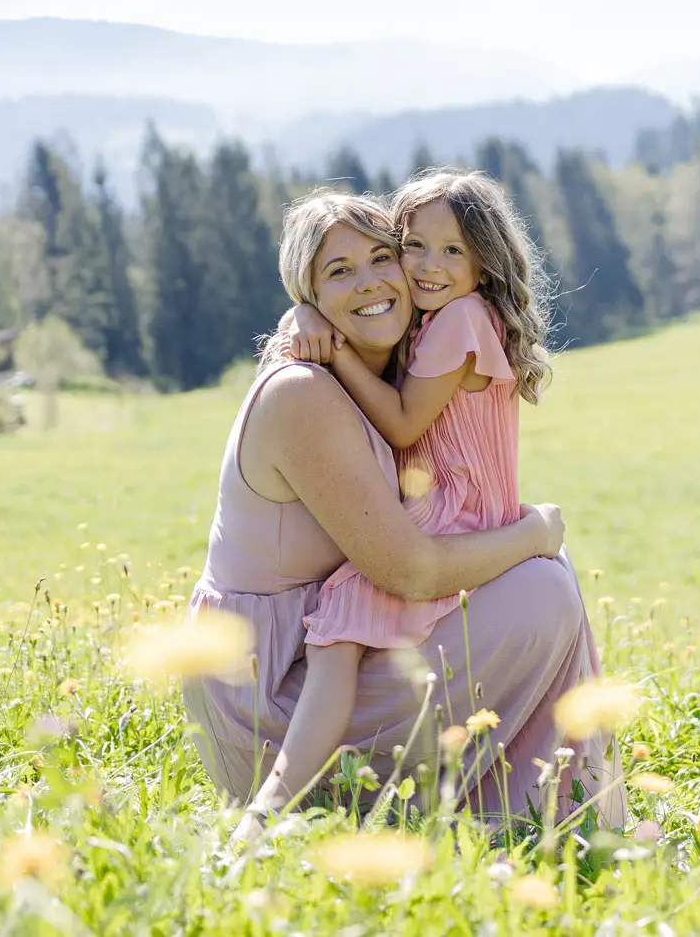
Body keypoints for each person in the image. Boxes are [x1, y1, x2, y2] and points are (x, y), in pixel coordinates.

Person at [183, 190, 623, 831]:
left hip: (323, 658)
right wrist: (531, 531)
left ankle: (512, 805)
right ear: (308, 295)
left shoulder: (394, 360)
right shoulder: (303, 390)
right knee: (539, 587)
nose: (371, 282)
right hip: (267, 694)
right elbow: (411, 571)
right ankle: (281, 816)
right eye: (338, 271)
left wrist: (305, 311)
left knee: (542, 578)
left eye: (383, 256)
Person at [278, 170, 554, 804]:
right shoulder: (443, 316)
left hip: (455, 515)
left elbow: (403, 424)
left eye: (452, 251)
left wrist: (334, 348)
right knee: (346, 636)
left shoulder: (458, 319)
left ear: (484, 263)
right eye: (413, 245)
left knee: (340, 626)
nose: (428, 266)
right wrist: (305, 308)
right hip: (463, 506)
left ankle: (281, 798)